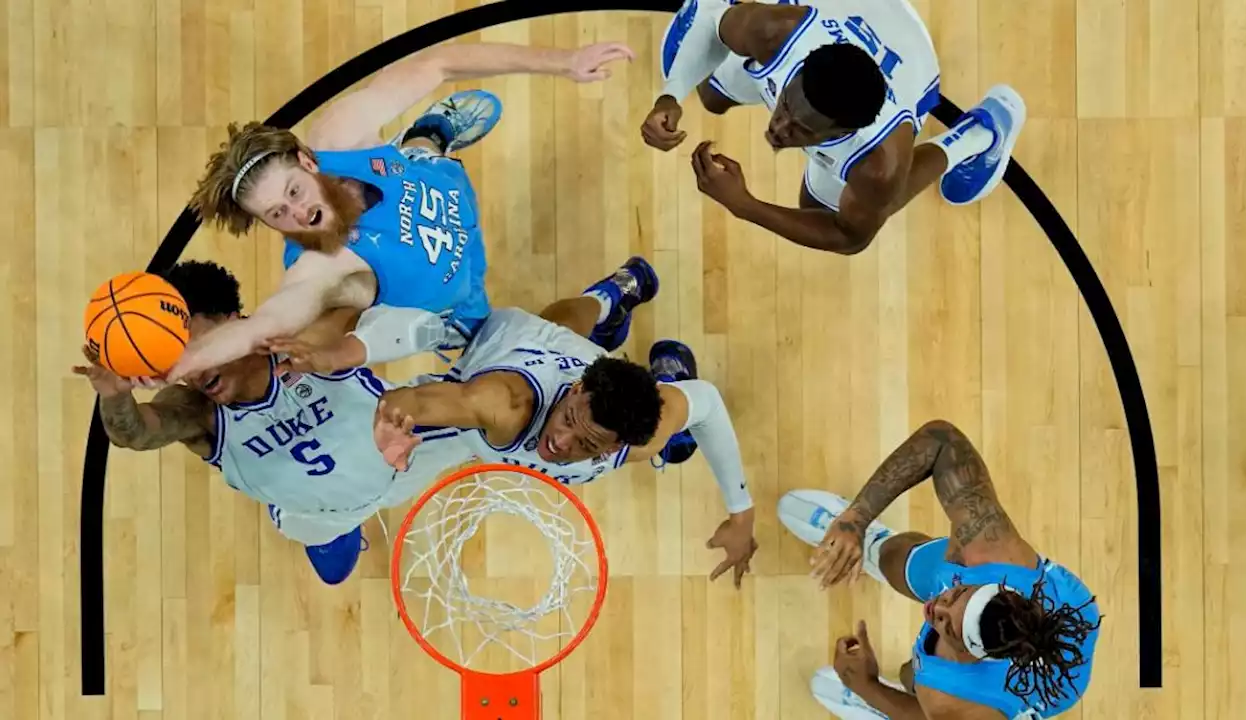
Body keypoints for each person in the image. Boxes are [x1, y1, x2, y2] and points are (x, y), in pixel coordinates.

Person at [168, 40, 635, 382]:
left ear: (309, 162)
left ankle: (428, 135)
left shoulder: (340, 136)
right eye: (276, 214)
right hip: (457, 305)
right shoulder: (320, 267)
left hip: (442, 186)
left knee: (421, 159)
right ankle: (425, 139)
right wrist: (178, 365)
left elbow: (439, 62)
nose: (296, 212)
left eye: (294, 191)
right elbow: (264, 326)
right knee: (506, 362)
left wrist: (564, 62)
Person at [289, 256, 760, 586]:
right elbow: (422, 401)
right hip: (510, 345)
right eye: (571, 420)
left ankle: (619, 312)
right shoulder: (502, 405)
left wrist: (743, 514)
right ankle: (611, 293)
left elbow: (709, 402)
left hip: (586, 378)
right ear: (578, 389)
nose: (560, 441)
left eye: (587, 443)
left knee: (663, 438)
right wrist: (390, 419)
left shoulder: (641, 437)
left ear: (614, 444)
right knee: (558, 323)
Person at [74, 261, 474, 585]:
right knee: (333, 569)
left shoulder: (299, 338)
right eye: (178, 361)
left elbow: (360, 288)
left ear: (235, 324)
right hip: (316, 514)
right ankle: (342, 530)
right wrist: (114, 394)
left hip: (407, 451)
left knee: (512, 413)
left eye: (200, 347)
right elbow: (137, 433)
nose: (193, 371)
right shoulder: (195, 410)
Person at [642, 0, 1026, 256]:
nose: (778, 129)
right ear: (802, 68)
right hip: (860, 10)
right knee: (709, 92)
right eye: (785, 107)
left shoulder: (878, 159)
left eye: (801, 131)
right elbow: (713, 19)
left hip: (911, 57)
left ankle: (981, 133)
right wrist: (669, 96)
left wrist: (745, 206)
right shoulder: (777, 33)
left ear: (845, 131)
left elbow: (849, 237)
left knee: (821, 207)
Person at [777, 420, 1102, 719]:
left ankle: (881, 704)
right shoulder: (992, 548)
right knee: (911, 559)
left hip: (977, 703)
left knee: (918, 681)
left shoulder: (962, 698)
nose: (935, 608)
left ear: (970, 655)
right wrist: (855, 520)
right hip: (1056, 612)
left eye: (946, 627)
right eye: (957, 593)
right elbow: (943, 441)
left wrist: (867, 686)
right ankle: (875, 546)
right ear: (993, 585)